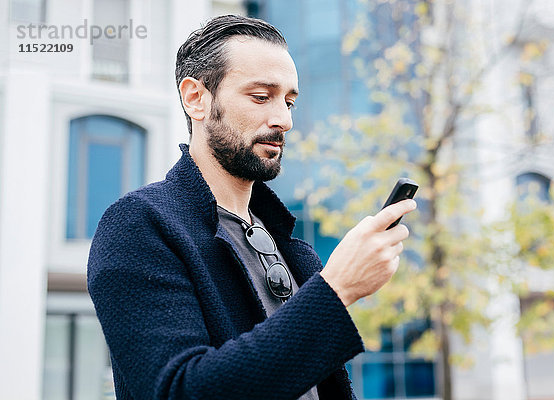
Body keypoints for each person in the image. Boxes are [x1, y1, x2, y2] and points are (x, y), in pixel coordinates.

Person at [87, 14, 416, 400]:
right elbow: (180, 391)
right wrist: (337, 288)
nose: (284, 120)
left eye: (289, 102)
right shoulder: (139, 226)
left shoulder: (294, 250)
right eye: (261, 97)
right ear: (196, 98)